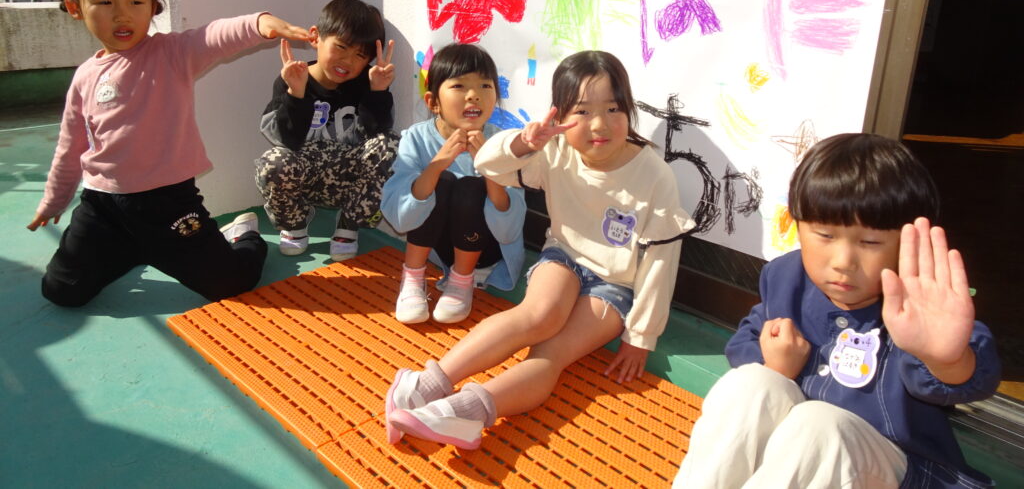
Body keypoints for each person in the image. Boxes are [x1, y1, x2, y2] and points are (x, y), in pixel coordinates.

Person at [384, 50, 694, 449]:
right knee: (537, 315)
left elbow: (660, 260)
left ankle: (464, 413)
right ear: (560, 114)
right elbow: (491, 166)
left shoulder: (653, 174)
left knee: (552, 353)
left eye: (613, 108)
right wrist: (522, 142)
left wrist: (641, 336)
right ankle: (426, 384)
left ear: (628, 109)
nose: (599, 124)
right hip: (564, 257)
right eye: (582, 111)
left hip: (615, 286)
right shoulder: (556, 149)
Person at [674, 133, 1001, 488]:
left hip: (890, 469)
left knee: (819, 427)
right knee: (750, 383)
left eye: (870, 242)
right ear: (796, 226)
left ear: (907, 243)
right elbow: (749, 338)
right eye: (825, 236)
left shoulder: (919, 304)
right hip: (796, 464)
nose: (844, 261)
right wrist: (776, 367)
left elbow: (968, 380)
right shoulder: (787, 278)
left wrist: (945, 359)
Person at [29, 0, 314, 307]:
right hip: (102, 207)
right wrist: (53, 201)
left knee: (230, 284)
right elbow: (70, 146)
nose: (122, 15)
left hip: (170, 205)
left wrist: (263, 23)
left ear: (153, 5)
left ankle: (244, 236)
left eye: (136, 1)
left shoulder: (172, 53)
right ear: (75, 6)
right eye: (105, 2)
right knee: (61, 290)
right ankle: (133, 248)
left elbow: (215, 36)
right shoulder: (84, 77)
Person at [380, 43, 526, 324]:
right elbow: (400, 218)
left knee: (470, 186)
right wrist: (437, 165)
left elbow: (509, 231)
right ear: (433, 102)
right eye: (459, 86)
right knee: (438, 179)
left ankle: (462, 281)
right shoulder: (416, 138)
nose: (474, 95)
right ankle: (412, 278)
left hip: (485, 250)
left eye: (485, 86)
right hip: (438, 248)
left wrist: (489, 167)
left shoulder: (503, 143)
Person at [255, 0, 398, 262]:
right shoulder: (292, 78)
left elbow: (375, 136)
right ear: (315, 37)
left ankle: (348, 225)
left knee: (391, 144)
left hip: (346, 182)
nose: (348, 61)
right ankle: (295, 224)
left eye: (360, 55)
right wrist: (296, 94)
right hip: (304, 179)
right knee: (273, 161)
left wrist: (378, 91)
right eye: (341, 47)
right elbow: (285, 140)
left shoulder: (366, 82)